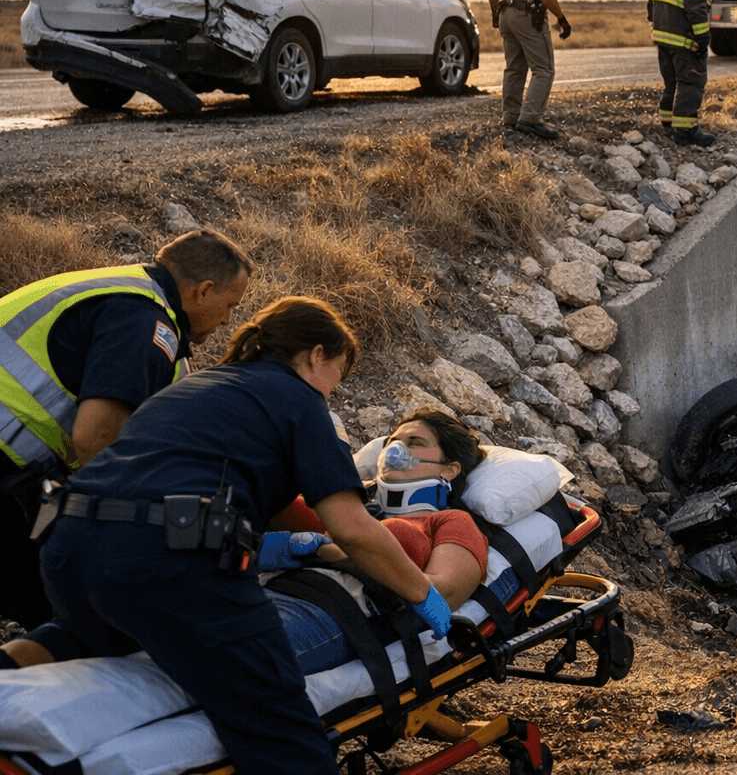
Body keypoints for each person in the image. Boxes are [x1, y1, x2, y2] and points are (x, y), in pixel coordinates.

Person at [1, 296, 452, 775]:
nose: (335, 388)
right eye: (339, 370)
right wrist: (424, 594)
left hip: (68, 546)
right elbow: (352, 526)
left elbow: (258, 502)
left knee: (78, 636)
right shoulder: (299, 400)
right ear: (317, 355)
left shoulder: (195, 387)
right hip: (169, 561)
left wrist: (296, 544)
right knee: (283, 728)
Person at [0, 228, 253, 631]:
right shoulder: (146, 322)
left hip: (11, 459)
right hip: (6, 463)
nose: (227, 321)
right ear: (204, 291)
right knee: (72, 615)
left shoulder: (115, 287)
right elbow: (96, 442)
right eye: (229, 306)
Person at [266, 409, 491, 674]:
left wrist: (330, 550)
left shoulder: (451, 522)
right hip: (261, 592)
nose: (395, 451)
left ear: (451, 469)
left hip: (330, 613)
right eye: (391, 442)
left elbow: (445, 592)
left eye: (414, 442)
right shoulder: (345, 509)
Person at [487, 0, 572, 142]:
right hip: (528, 15)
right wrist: (561, 17)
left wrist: (495, 13)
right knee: (543, 69)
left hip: (507, 14)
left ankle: (510, 117)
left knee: (514, 68)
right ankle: (530, 118)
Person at [649, 0, 728, 148]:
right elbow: (696, 9)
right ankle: (684, 132)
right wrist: (702, 41)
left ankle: (668, 124)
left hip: (663, 38)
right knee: (691, 83)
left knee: (671, 83)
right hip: (683, 41)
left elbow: (651, 2)